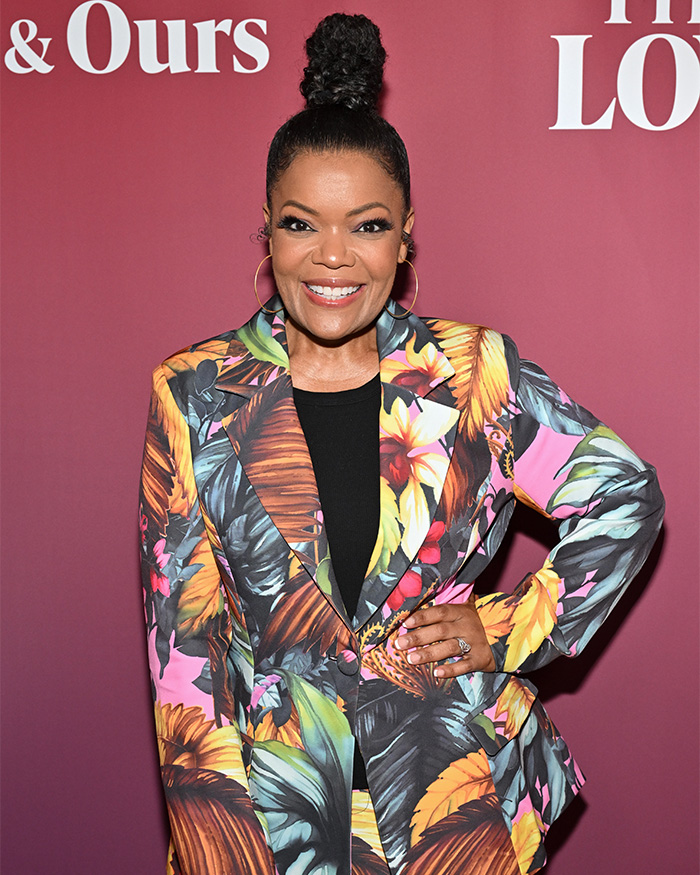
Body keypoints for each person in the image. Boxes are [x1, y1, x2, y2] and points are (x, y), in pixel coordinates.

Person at [139, 13, 664, 875]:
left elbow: (624, 491)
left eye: (368, 225)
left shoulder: (469, 371)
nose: (333, 258)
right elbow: (181, 650)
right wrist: (212, 847)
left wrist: (509, 624)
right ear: (265, 230)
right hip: (273, 806)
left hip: (447, 791)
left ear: (407, 231)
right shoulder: (194, 391)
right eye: (302, 224)